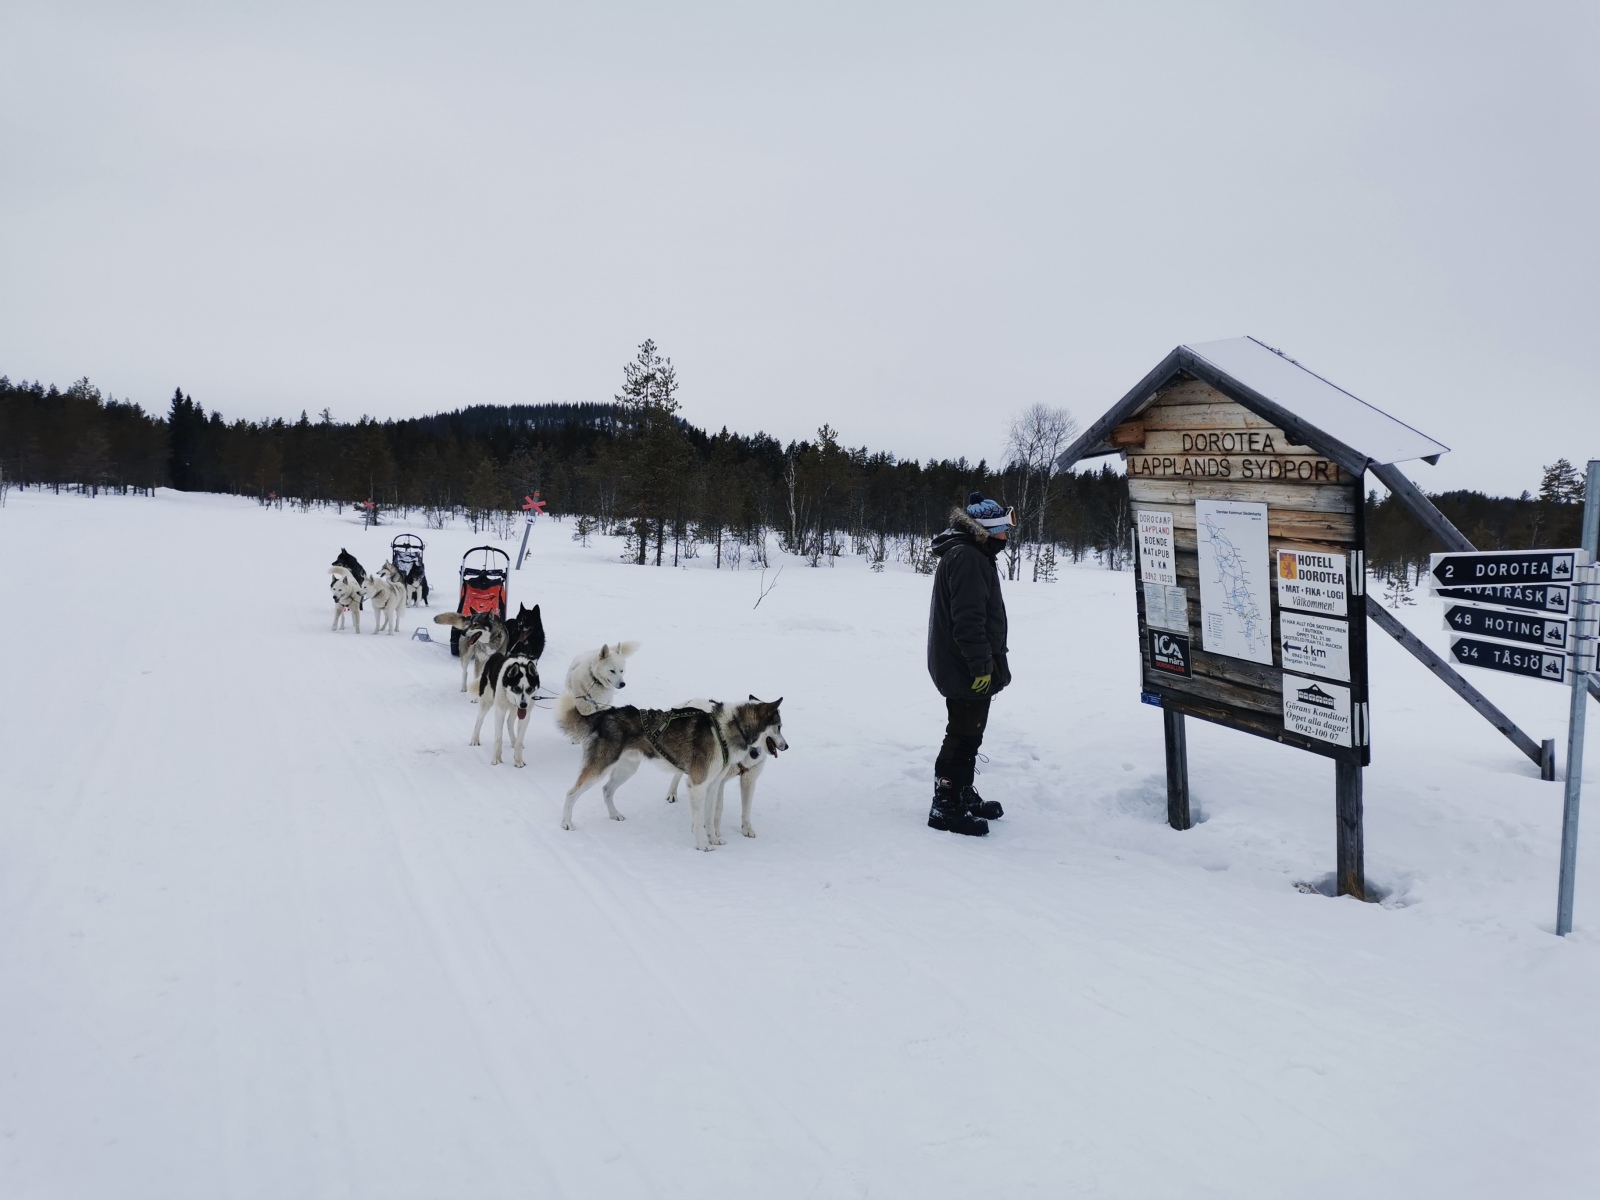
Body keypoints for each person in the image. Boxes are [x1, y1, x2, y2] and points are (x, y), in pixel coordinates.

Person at [925, 492, 1014, 836]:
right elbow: (968, 620)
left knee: (970, 733)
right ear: (985, 530)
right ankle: (945, 804)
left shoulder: (971, 554)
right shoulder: (968, 558)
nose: (1007, 535)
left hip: (963, 661)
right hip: (963, 664)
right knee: (962, 734)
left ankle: (960, 791)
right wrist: (980, 665)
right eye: (1003, 528)